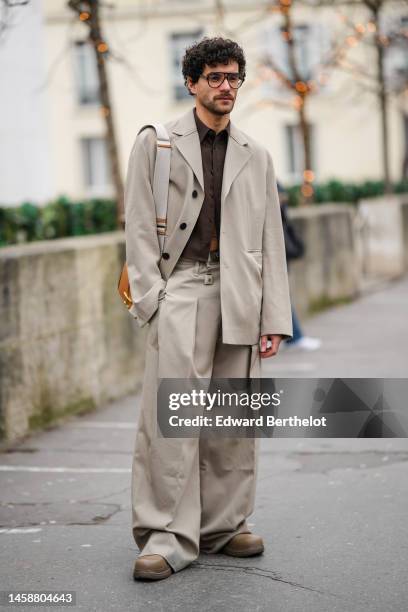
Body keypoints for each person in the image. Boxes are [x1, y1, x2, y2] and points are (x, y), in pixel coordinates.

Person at [124, 36, 292, 581]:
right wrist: (154, 299)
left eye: (234, 77)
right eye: (215, 77)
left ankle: (224, 524)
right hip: (181, 290)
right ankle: (166, 534)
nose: (226, 87)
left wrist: (275, 319)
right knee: (172, 419)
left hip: (239, 293)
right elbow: (137, 228)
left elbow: (270, 243)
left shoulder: (257, 153)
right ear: (192, 82)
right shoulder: (157, 143)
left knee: (232, 418)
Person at [277, 182, 321, 352]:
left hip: (278, 253)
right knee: (280, 297)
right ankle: (295, 337)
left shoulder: (264, 167)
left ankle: (295, 337)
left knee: (281, 297)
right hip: (267, 254)